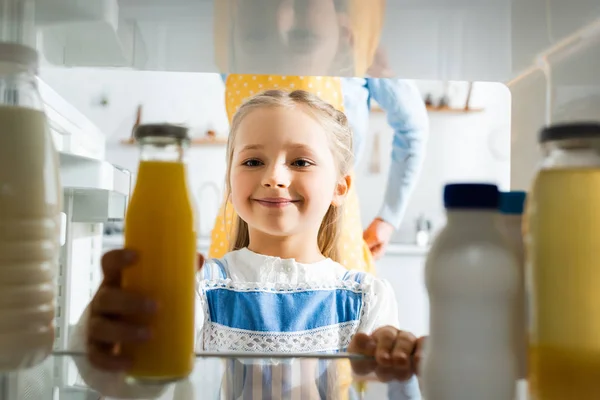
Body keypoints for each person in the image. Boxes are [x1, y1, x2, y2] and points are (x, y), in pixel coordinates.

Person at [69, 90, 420, 398]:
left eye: (300, 161)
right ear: (230, 180)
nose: (273, 177)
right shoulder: (199, 289)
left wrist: (399, 368)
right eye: (253, 161)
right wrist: (101, 344)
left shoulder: (367, 299)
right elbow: (141, 387)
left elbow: (381, 391)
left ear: (339, 188)